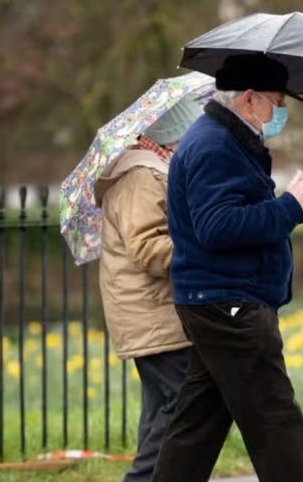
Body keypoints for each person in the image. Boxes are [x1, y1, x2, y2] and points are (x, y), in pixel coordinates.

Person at [152, 55, 303, 482]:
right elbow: (218, 226)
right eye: (278, 102)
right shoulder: (216, 146)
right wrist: (289, 206)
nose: (281, 112)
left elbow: (232, 211)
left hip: (216, 300)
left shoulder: (225, 140)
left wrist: (288, 204)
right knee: (275, 417)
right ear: (250, 98)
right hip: (230, 305)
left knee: (197, 427)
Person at [95, 95, 203, 482]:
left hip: (155, 315)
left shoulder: (157, 172)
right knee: (184, 404)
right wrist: (199, 245)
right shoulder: (142, 177)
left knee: (162, 408)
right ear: (175, 135)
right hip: (152, 317)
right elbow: (148, 249)